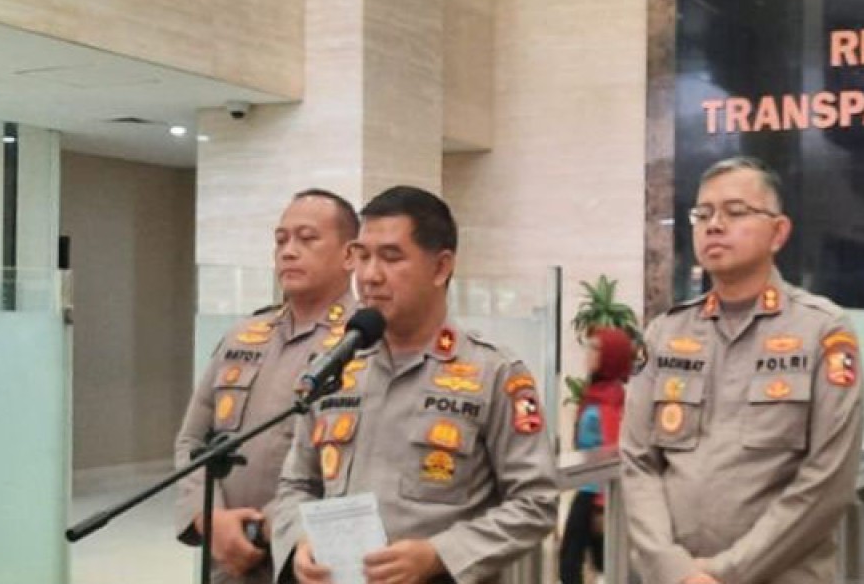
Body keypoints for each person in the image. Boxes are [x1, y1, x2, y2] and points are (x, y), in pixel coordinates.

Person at [270, 185, 558, 584]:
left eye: (391, 257)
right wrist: (300, 540)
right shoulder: (334, 368)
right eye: (362, 256)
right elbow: (296, 483)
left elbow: (535, 503)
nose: (369, 276)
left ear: (440, 268)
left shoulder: (494, 372)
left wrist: (439, 555)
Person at [621, 156, 864, 584]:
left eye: (735, 212)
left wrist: (723, 574)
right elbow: (638, 462)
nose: (714, 225)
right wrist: (672, 569)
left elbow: (827, 482)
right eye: (703, 213)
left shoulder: (822, 332)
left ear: (778, 232)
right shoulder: (665, 333)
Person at [174, 189, 360, 584]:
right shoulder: (244, 336)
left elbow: (357, 468)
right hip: (224, 558)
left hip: (308, 560)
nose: (288, 251)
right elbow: (192, 439)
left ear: (350, 256)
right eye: (281, 240)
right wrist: (207, 518)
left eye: (307, 239)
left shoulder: (366, 344)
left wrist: (257, 532)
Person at [558, 327, 633, 584]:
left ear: (610, 357)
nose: (588, 354)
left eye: (595, 348)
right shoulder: (598, 392)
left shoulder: (610, 398)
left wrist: (602, 507)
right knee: (592, 563)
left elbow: (613, 450)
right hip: (588, 490)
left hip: (597, 496)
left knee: (574, 563)